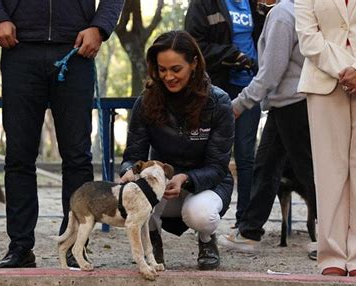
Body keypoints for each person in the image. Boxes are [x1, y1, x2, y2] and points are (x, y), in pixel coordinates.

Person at [0, 0, 123, 268]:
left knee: (77, 157)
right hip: (18, 47)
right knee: (18, 156)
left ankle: (75, 247)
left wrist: (100, 27)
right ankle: (20, 247)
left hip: (76, 49)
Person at [120, 30, 234, 270]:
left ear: (194, 63)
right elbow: (133, 156)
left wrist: (185, 178)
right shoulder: (146, 101)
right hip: (162, 185)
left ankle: (206, 239)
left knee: (200, 215)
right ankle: (152, 242)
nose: (168, 76)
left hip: (208, 183)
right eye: (162, 70)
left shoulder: (219, 102)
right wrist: (129, 171)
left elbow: (217, 166)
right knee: (134, 193)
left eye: (176, 69)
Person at [219, 0, 317, 257]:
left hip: (293, 102)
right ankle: (250, 232)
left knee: (309, 171)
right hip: (290, 101)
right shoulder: (302, 9)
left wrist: (240, 104)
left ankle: (332, 237)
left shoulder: (283, 14)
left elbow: (270, 72)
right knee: (267, 167)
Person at [295, 0, 356, 277]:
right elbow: (308, 38)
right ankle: (331, 254)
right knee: (328, 171)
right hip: (323, 83)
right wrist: (348, 71)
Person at [185, 0, 264, 228]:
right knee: (208, 152)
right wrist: (232, 55)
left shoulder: (254, 4)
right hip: (216, 88)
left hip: (249, 87)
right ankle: (203, 218)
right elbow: (193, 45)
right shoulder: (203, 4)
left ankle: (245, 222)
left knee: (246, 155)